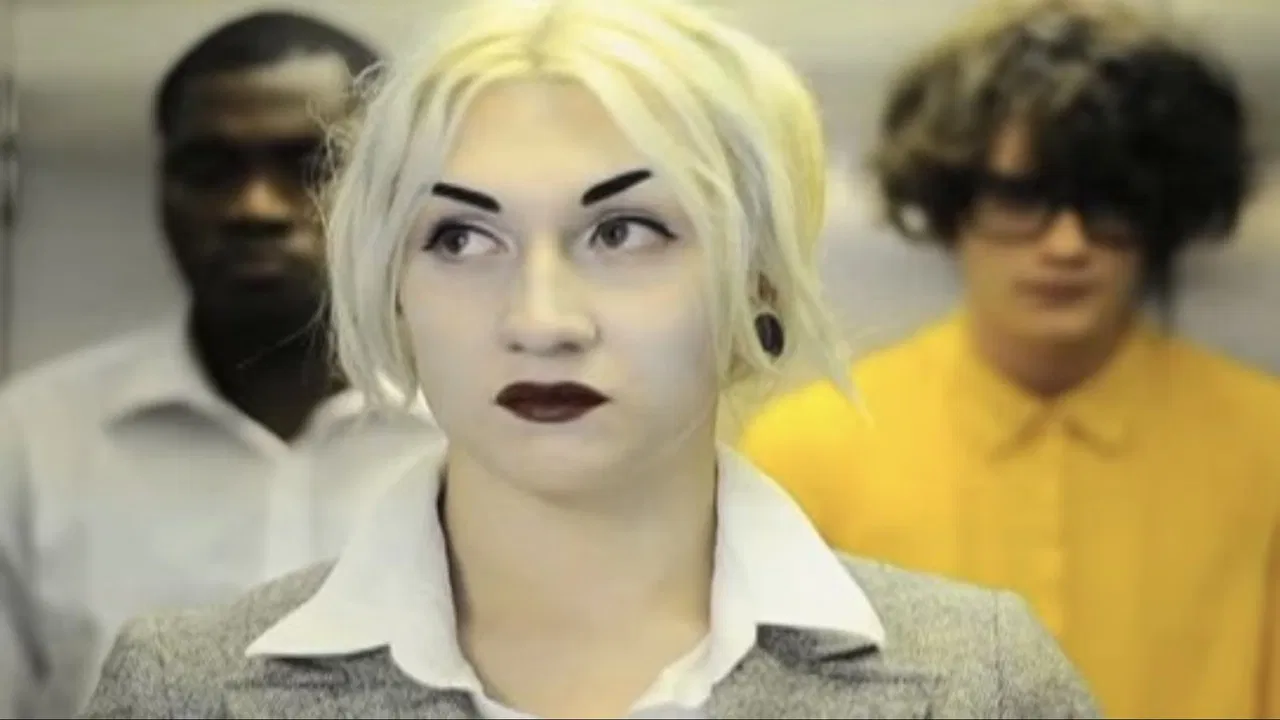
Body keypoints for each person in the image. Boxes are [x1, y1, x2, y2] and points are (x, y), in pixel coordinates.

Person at [79, 0, 1099, 718]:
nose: (541, 319)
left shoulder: (985, 686)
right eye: (461, 238)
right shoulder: (184, 693)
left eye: (623, 232)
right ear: (392, 287)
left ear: (757, 278)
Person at [739, 0, 1280, 717]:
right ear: (950, 203)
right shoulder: (811, 451)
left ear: (1160, 213)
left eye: (1109, 201)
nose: (1067, 244)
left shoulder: (1265, 446)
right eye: (1020, 198)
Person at [0, 11, 438, 718]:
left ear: (392, 186)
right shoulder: (30, 443)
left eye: (311, 165)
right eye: (210, 170)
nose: (254, 207)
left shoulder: (481, 432)